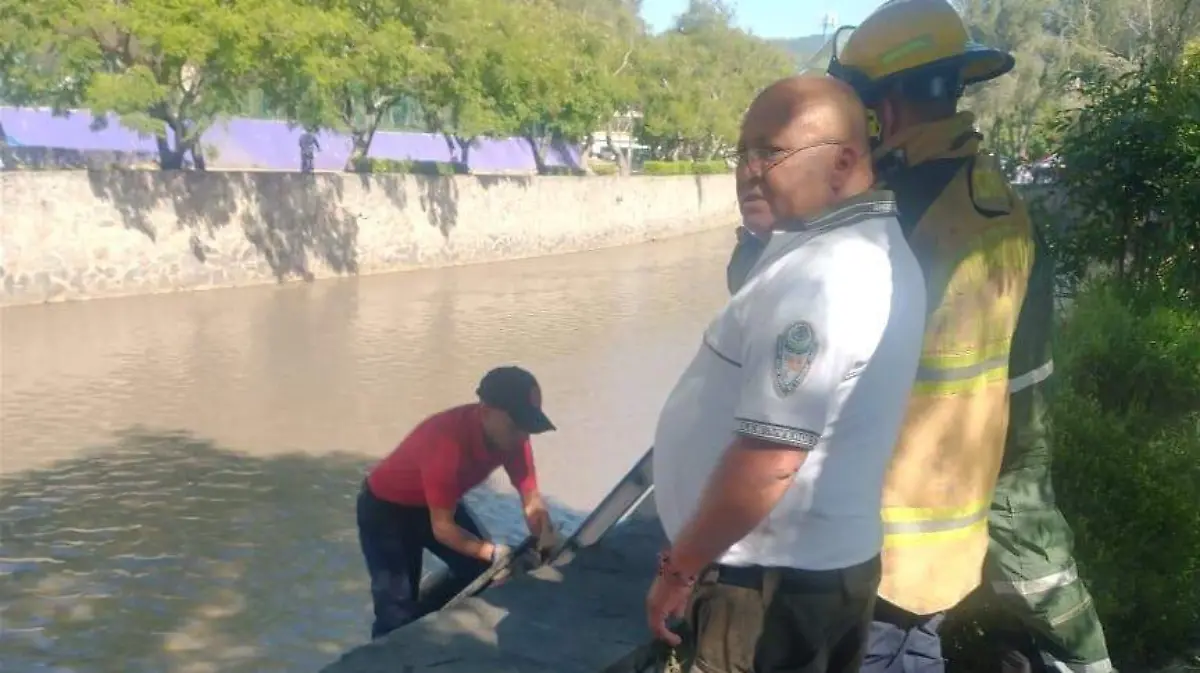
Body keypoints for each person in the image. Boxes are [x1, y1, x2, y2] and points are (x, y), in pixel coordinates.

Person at [814, 1, 1110, 671]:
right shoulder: (1001, 205)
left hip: (868, 535)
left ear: (881, 106)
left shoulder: (881, 213)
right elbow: (1026, 396)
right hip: (949, 536)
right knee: (915, 650)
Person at [646, 75, 928, 673]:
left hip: (766, 587)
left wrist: (680, 570)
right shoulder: (864, 248)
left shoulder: (824, 276)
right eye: (742, 152)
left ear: (843, 162)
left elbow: (770, 457)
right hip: (810, 574)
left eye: (770, 152)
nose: (748, 170)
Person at [356, 366, 560, 639]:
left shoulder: (513, 439)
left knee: (482, 573)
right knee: (395, 612)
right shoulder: (446, 442)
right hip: (386, 511)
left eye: (528, 427)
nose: (522, 437)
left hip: (436, 502)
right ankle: (392, 641)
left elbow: (531, 498)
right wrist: (493, 552)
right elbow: (443, 528)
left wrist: (545, 533)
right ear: (485, 412)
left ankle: (424, 616)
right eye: (515, 426)